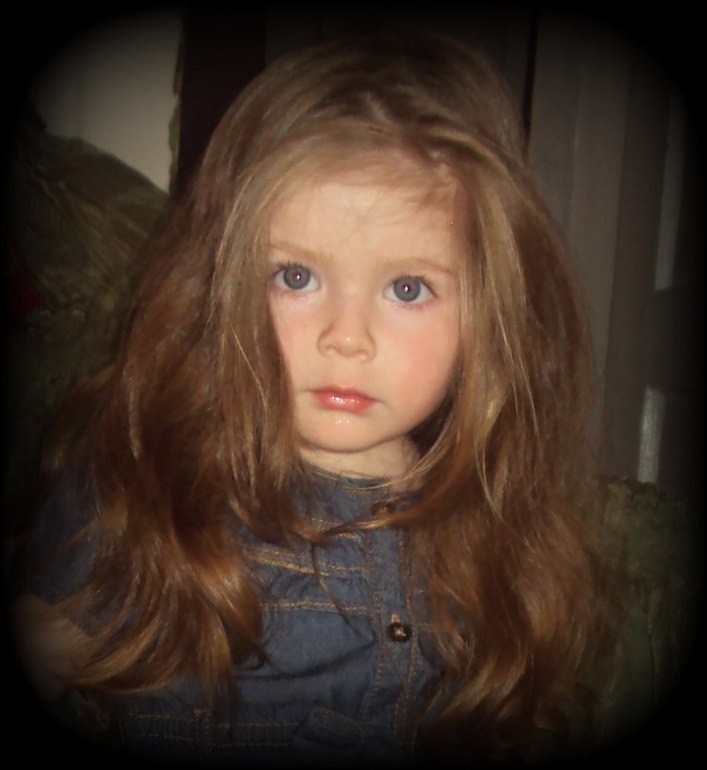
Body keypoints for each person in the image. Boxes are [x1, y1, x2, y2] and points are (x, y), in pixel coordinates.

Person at [10, 25, 618, 765]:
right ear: (220, 286)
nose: (345, 338)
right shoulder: (143, 487)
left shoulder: (497, 518)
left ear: (491, 314)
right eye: (295, 277)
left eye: (407, 288)